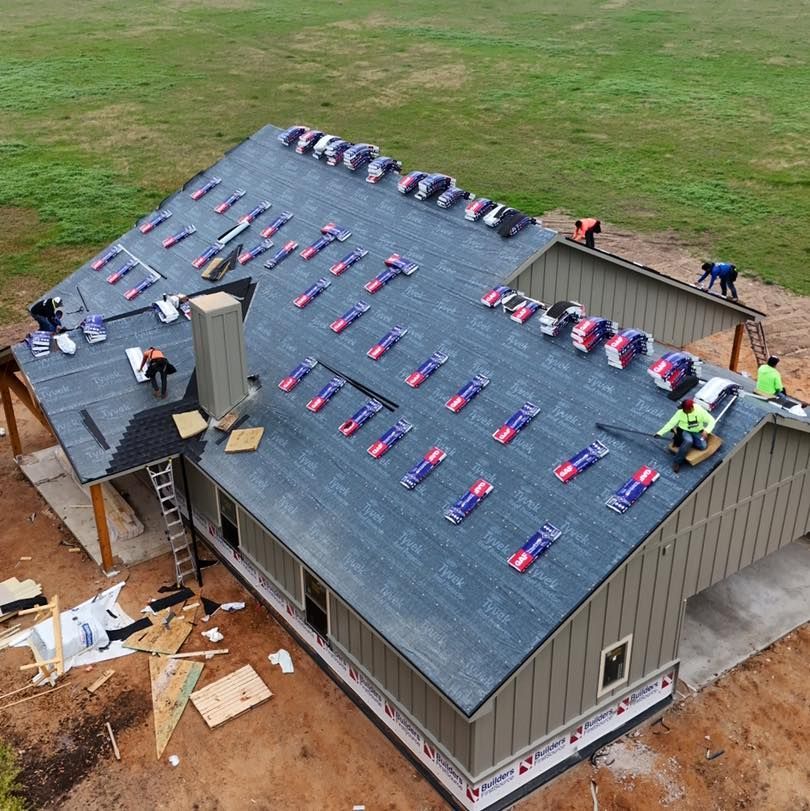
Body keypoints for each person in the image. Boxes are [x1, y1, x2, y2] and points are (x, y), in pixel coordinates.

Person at [655, 398, 716, 473]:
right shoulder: (680, 412)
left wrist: (706, 431)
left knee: (703, 446)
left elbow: (712, 421)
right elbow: (671, 423)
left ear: (691, 408)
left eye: (685, 409)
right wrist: (660, 433)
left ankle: (683, 443)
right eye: (682, 408)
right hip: (684, 430)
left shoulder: (700, 411)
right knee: (688, 441)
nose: (683, 410)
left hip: (697, 430)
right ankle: (677, 461)